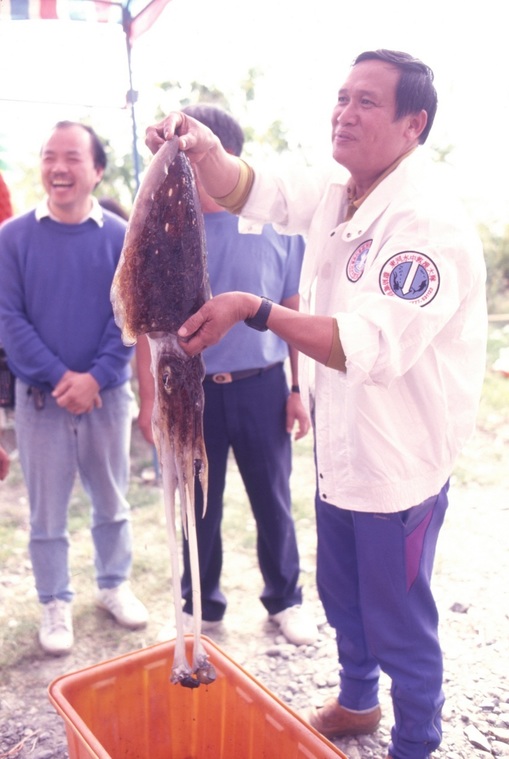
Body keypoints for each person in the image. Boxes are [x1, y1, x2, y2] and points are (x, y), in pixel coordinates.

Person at [145, 50, 487, 759]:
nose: (344, 113)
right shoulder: (342, 188)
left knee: (399, 617)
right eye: (341, 97)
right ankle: (358, 701)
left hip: (397, 464)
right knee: (340, 591)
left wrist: (255, 309)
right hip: (343, 450)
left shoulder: (427, 225)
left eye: (367, 101)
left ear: (413, 124)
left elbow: (368, 347)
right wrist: (203, 151)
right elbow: (254, 188)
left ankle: (416, 740)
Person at [137, 103, 318, 646]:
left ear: (225, 155)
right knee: (197, 504)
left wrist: (297, 389)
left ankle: (286, 600)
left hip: (263, 386)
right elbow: (148, 327)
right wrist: (149, 402)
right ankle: (201, 607)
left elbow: (295, 311)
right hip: (191, 393)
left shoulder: (278, 226)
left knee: (273, 501)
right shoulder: (167, 229)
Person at [0, 120, 148, 656]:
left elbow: (129, 314)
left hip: (107, 397)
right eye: (49, 157)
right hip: (41, 400)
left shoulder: (121, 236)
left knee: (111, 499)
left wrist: (96, 377)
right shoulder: (12, 237)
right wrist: (62, 378)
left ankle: (114, 585)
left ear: (97, 170)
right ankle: (54, 601)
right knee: (46, 511)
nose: (58, 168)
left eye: (71, 158)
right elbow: (9, 319)